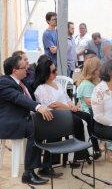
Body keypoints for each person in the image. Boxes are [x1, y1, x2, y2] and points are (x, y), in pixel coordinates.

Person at [0, 55, 53, 185]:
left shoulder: (21, 82)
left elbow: (34, 87)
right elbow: (17, 98)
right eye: (24, 68)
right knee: (35, 127)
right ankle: (28, 173)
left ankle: (45, 165)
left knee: (52, 122)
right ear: (15, 70)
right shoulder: (4, 82)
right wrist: (38, 107)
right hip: (11, 121)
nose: (27, 70)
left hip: (25, 117)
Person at [33, 59, 93, 169]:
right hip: (55, 116)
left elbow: (66, 97)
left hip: (66, 111)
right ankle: (74, 155)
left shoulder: (56, 83)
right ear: (45, 73)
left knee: (88, 117)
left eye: (55, 70)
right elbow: (53, 105)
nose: (56, 73)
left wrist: (72, 105)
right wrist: (69, 109)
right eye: (53, 71)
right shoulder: (40, 88)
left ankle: (86, 151)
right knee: (78, 122)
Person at [76, 57, 102, 159]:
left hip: (92, 112)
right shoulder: (87, 85)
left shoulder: (92, 83)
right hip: (89, 113)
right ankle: (97, 148)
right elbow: (89, 103)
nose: (101, 70)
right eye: (99, 68)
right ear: (93, 71)